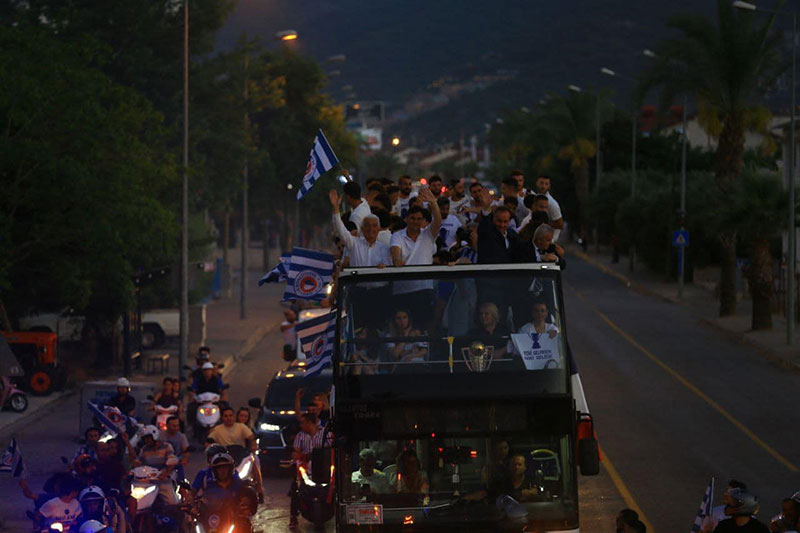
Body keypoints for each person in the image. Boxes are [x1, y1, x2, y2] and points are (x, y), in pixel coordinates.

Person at [390, 188, 442, 326]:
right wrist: (396, 260)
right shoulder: (397, 236)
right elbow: (395, 250)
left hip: (423, 289)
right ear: (406, 218)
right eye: (412, 218)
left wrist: (434, 203)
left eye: (419, 219)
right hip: (402, 290)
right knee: (403, 330)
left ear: (423, 220)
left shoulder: (428, 235)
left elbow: (438, 221)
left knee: (423, 328)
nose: (415, 221)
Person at [289, 413, 333, 529]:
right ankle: (293, 517)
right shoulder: (300, 436)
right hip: (306, 470)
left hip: (324, 470)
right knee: (295, 489)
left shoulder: (326, 434)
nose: (301, 425)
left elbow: (333, 450)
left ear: (309, 423)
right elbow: (295, 453)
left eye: (303, 423)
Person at [133, 425, 178, 505]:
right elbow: (138, 462)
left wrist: (166, 472)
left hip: (162, 480)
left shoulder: (166, 446)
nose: (147, 440)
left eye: (148, 438)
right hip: (147, 482)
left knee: (172, 503)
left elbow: (171, 460)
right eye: (145, 438)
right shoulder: (144, 449)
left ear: (154, 435)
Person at [533, 175, 564, 242]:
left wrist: (543, 223)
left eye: (546, 184)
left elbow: (560, 225)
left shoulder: (551, 203)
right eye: (541, 183)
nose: (543, 186)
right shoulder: (536, 197)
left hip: (549, 240)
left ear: (549, 186)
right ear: (537, 183)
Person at [161, 416, 190, 480]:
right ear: (167, 426)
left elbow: (186, 451)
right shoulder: (160, 435)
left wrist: (185, 459)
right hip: (161, 462)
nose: (176, 428)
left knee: (181, 480)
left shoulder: (182, 437)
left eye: (177, 426)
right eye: (174, 426)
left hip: (176, 463)